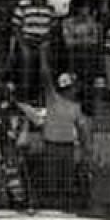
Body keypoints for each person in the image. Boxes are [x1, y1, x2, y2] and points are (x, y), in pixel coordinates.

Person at [40, 72, 91, 211]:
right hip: (52, 145)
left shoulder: (76, 107)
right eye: (74, 87)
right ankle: (52, 208)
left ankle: (65, 208)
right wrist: (43, 60)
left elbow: (81, 128)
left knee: (67, 180)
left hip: (68, 146)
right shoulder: (53, 99)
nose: (76, 90)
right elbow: (46, 80)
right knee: (51, 180)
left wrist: (85, 148)